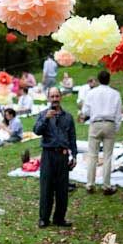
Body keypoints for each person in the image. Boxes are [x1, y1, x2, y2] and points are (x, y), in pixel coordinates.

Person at [33, 87, 77, 228]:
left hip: (63, 155)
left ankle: (59, 218)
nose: (54, 99)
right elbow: (37, 131)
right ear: (48, 98)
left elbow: (72, 137)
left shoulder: (68, 117)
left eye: (57, 96)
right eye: (52, 96)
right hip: (48, 154)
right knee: (46, 187)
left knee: (62, 188)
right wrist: (46, 119)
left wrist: (74, 155)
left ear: (61, 97)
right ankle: (44, 218)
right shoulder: (42, 115)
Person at [83, 70, 123, 195]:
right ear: (109, 79)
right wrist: (116, 127)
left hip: (95, 123)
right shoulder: (115, 93)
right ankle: (106, 185)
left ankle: (90, 184)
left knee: (92, 155)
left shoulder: (91, 93)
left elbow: (85, 111)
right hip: (109, 123)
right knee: (107, 156)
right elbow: (118, 113)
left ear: (98, 80)